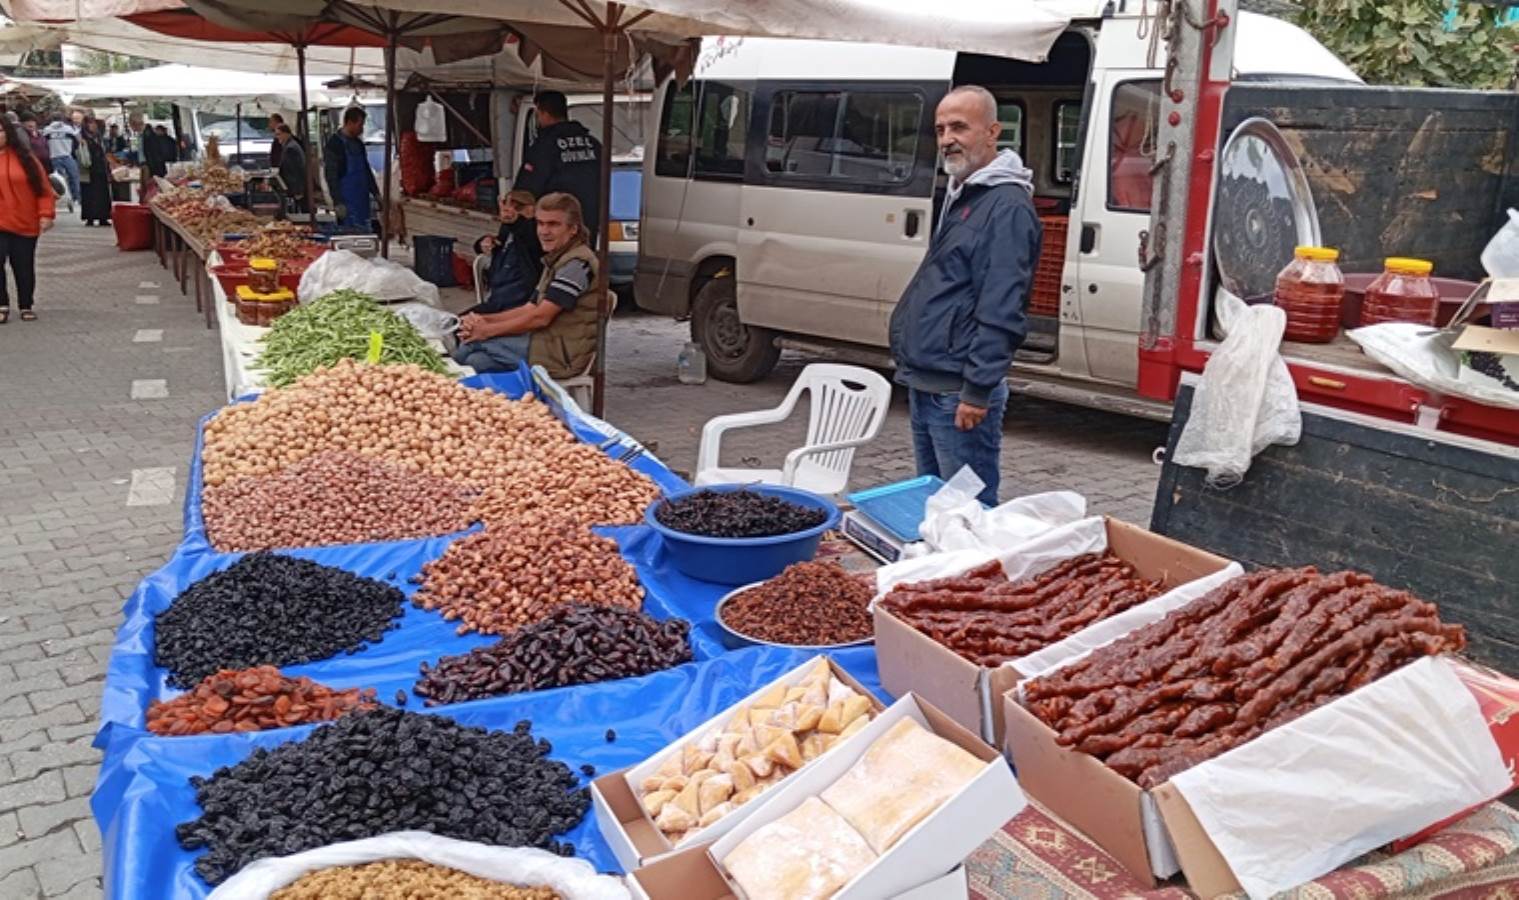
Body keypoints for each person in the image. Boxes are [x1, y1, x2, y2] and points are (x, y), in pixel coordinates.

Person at [888, 85, 1041, 508]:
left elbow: (1003, 306)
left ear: (993, 132)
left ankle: (971, 573)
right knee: (936, 508)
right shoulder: (966, 192)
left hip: (957, 391)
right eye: (940, 129)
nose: (946, 138)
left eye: (959, 126)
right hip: (930, 382)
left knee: (968, 512)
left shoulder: (1006, 206)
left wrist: (977, 390)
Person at [454, 192, 599, 378]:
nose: (544, 231)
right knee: (476, 361)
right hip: (544, 341)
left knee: (472, 342)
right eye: (540, 223)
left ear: (573, 229)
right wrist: (483, 320)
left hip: (562, 355)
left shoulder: (577, 264)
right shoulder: (556, 258)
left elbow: (540, 318)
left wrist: (486, 331)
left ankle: (433, 386)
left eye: (553, 224)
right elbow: (529, 308)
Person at [451, 190, 544, 369]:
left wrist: (515, 219)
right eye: (509, 206)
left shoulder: (533, 232)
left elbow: (526, 235)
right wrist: (484, 243)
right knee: (457, 324)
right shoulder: (508, 230)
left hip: (517, 303)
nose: (512, 211)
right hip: (498, 298)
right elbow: (494, 243)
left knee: (470, 338)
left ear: (532, 209)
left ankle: (455, 372)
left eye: (518, 207)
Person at [514, 91, 602, 246]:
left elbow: (526, 190)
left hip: (554, 224)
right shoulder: (593, 143)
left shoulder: (544, 147)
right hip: (588, 222)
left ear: (544, 113)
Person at [0, 115, 57, 323]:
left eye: (0, 131)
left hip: (25, 220)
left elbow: (42, 189)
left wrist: (46, 214)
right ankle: (2, 304)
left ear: (8, 133)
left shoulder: (26, 159)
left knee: (23, 265)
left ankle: (26, 304)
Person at [325, 107, 379, 228]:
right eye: (360, 125)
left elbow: (366, 170)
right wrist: (338, 202)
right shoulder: (334, 144)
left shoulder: (358, 144)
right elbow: (331, 175)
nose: (362, 129)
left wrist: (376, 193)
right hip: (346, 202)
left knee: (366, 233)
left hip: (363, 200)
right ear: (349, 122)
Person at [75, 119, 114, 227]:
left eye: (94, 124)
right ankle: (90, 217)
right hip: (88, 170)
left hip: (100, 169)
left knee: (102, 194)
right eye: (90, 124)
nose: (93, 126)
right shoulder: (81, 138)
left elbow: (104, 151)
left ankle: (103, 217)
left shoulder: (99, 137)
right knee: (89, 194)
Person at [41, 114, 80, 206]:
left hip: (54, 156)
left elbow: (43, 144)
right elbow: (76, 143)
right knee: (74, 178)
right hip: (67, 156)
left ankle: (61, 198)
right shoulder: (68, 129)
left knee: (58, 180)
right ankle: (75, 198)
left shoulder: (47, 130)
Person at [273, 124, 307, 212]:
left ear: (286, 134)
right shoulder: (290, 146)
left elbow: (294, 172)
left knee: (296, 211)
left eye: (279, 134)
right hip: (294, 188)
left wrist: (297, 191)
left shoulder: (290, 148)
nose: (277, 137)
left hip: (294, 188)